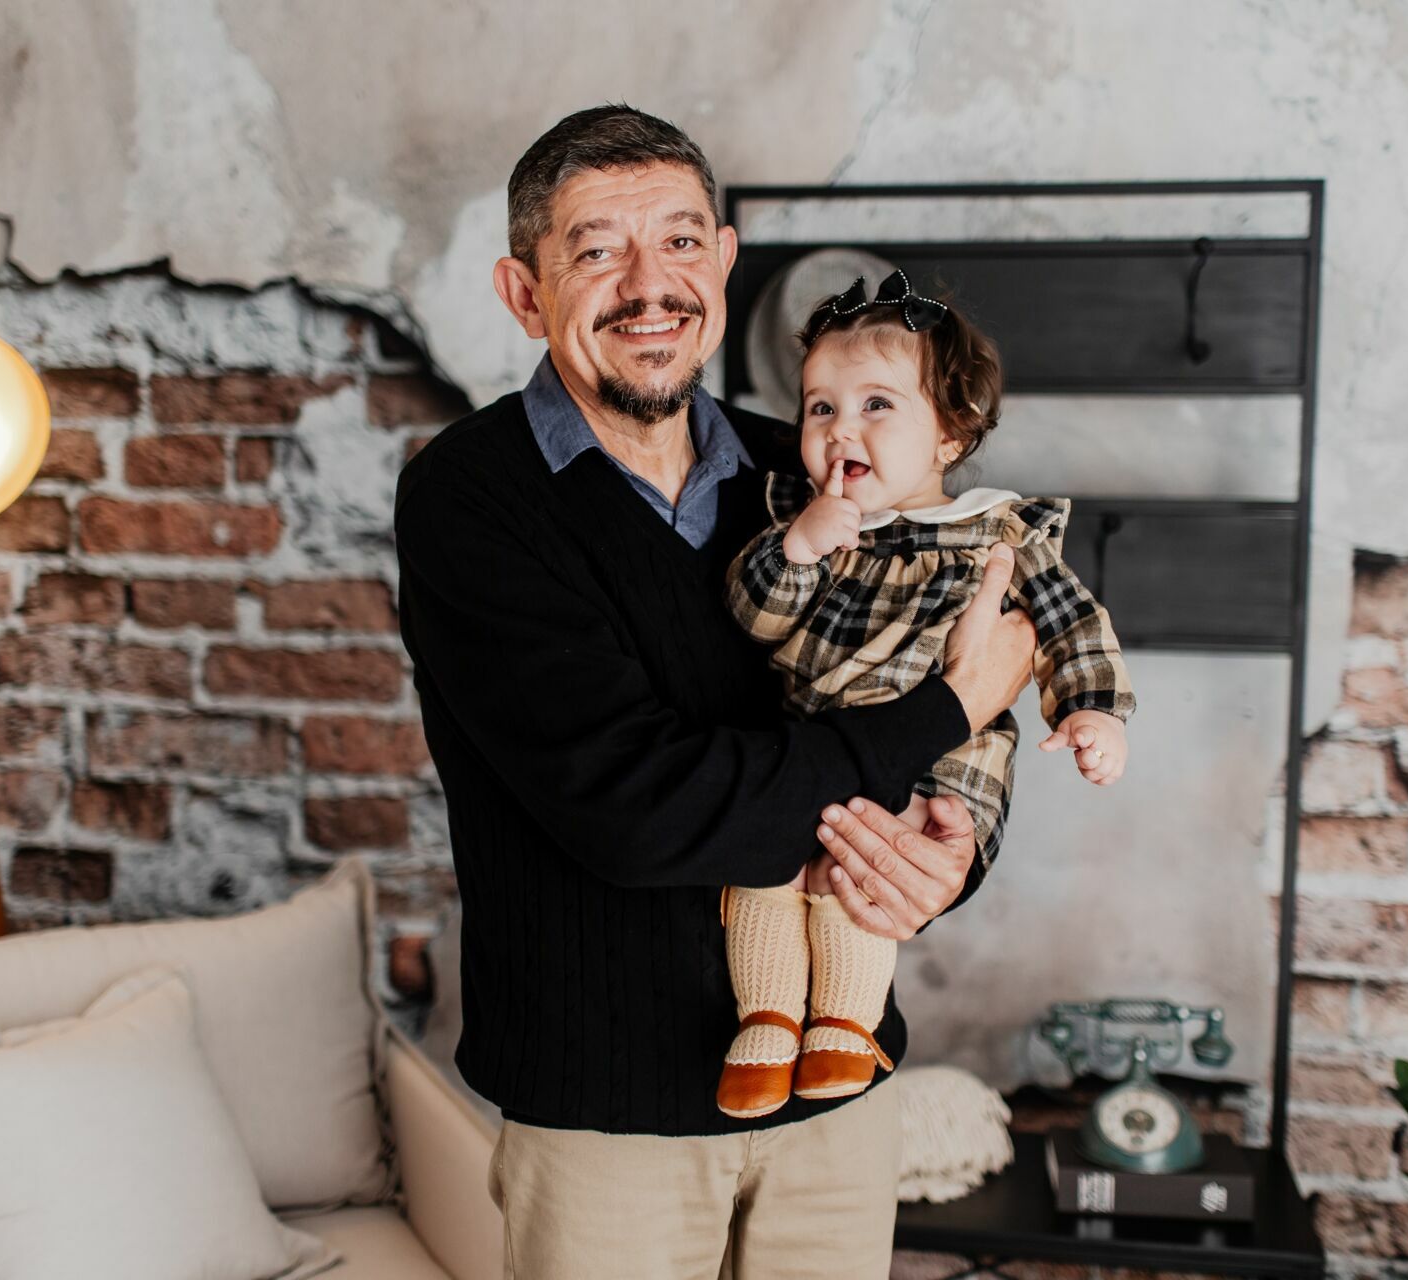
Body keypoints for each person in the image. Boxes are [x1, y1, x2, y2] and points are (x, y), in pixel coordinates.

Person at [393, 104, 1036, 1278]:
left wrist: (945, 853)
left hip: (838, 1086)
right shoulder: (470, 499)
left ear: (726, 262)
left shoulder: (813, 472)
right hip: (607, 1114)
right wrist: (942, 713)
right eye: (596, 249)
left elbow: (931, 676)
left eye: (683, 241)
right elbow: (642, 806)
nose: (652, 285)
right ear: (523, 291)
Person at [715, 271, 1137, 1122]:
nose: (840, 430)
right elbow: (752, 619)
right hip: (813, 742)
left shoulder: (998, 532)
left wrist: (1090, 708)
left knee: (868, 865)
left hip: (944, 762)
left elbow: (1069, 626)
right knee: (765, 860)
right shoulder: (806, 521)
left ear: (949, 434)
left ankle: (842, 1022)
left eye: (877, 405)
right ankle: (765, 1020)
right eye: (820, 408)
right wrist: (795, 552)